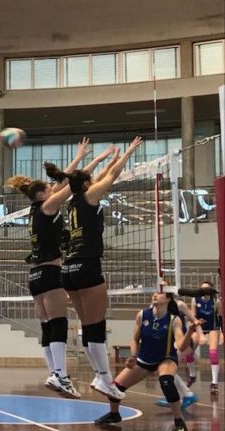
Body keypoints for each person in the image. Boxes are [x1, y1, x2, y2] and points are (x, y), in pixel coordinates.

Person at [6, 137, 105, 399]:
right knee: (59, 322)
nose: (53, 188)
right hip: (50, 272)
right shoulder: (48, 207)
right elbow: (71, 185)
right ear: (41, 194)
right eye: (49, 188)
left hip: (35, 275)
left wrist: (81, 157)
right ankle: (60, 375)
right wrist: (90, 163)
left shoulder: (35, 209)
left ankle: (54, 373)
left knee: (48, 326)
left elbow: (64, 181)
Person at [63, 137, 143, 399]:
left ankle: (100, 375)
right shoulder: (89, 196)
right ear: (87, 184)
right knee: (95, 326)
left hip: (69, 269)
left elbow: (102, 174)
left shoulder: (73, 200)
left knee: (88, 325)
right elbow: (113, 175)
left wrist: (107, 159)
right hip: (87, 265)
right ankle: (105, 379)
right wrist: (128, 152)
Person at [94, 291, 196, 431]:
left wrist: (190, 331)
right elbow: (135, 339)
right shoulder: (142, 315)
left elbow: (181, 346)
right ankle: (114, 414)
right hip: (144, 358)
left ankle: (179, 422)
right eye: (154, 293)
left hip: (165, 358)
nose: (155, 295)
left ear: (168, 299)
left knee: (166, 381)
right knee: (115, 387)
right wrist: (133, 356)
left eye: (160, 293)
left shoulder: (174, 319)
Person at [190, 281, 222, 395]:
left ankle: (214, 383)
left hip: (213, 328)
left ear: (211, 290)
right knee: (188, 352)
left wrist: (222, 333)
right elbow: (192, 318)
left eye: (206, 288)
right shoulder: (195, 300)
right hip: (199, 327)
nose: (203, 291)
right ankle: (192, 375)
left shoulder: (216, 301)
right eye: (201, 288)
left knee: (213, 353)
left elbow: (221, 318)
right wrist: (196, 329)